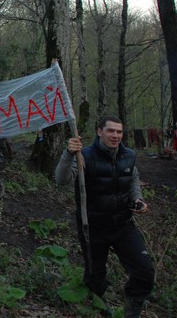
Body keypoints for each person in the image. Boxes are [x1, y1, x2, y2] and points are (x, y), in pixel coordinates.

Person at [55, 116, 155, 318]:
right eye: (111, 131)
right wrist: (68, 154)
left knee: (145, 271)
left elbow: (133, 178)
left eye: (119, 132)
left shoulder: (128, 155)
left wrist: (138, 199)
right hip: (92, 227)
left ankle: (131, 310)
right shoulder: (84, 155)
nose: (116, 136)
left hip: (123, 225)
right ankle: (102, 311)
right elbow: (61, 179)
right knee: (95, 278)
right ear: (99, 131)